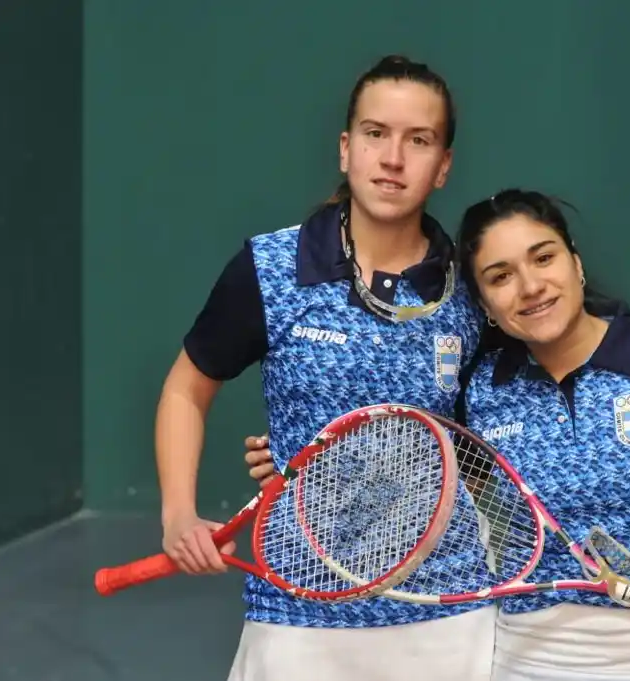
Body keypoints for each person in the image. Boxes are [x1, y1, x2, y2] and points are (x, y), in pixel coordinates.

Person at [243, 188, 630, 681]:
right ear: (486, 306)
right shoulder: (477, 393)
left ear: (574, 262)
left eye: (543, 257)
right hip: (527, 656)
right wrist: (311, 461)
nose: (530, 287)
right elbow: (411, 467)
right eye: (500, 276)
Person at [156, 54, 496, 681]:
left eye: (417, 140)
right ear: (346, 149)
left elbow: (491, 439)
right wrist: (179, 511)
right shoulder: (271, 268)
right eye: (375, 134)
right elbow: (186, 387)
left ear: (443, 165)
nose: (392, 158)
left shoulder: (474, 288)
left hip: (446, 610)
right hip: (296, 606)